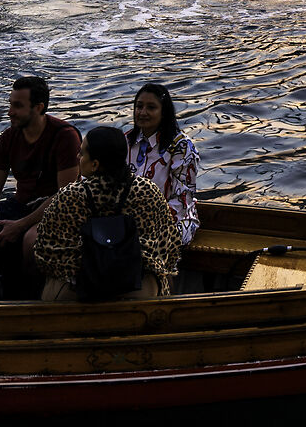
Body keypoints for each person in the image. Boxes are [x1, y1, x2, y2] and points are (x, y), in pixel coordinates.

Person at [28, 126, 180, 302]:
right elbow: (170, 245)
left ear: (95, 164)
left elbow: (45, 254)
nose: (78, 158)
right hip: (138, 291)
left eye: (82, 153)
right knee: (162, 274)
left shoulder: (70, 197)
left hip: (80, 294)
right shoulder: (148, 191)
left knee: (51, 285)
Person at [0, 75, 81, 268]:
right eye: (10, 104)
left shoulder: (65, 137)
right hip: (21, 204)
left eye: (17, 106)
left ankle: (33, 295)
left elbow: (65, 196)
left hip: (57, 210)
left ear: (38, 108)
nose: (10, 112)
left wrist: (20, 225)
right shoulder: (8, 137)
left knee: (30, 241)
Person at [125, 82, 200, 246]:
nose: (142, 112)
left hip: (173, 219)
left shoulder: (182, 147)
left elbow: (182, 199)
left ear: (164, 112)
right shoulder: (125, 141)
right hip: (130, 219)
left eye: (151, 107)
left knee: (145, 245)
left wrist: (146, 222)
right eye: (139, 106)